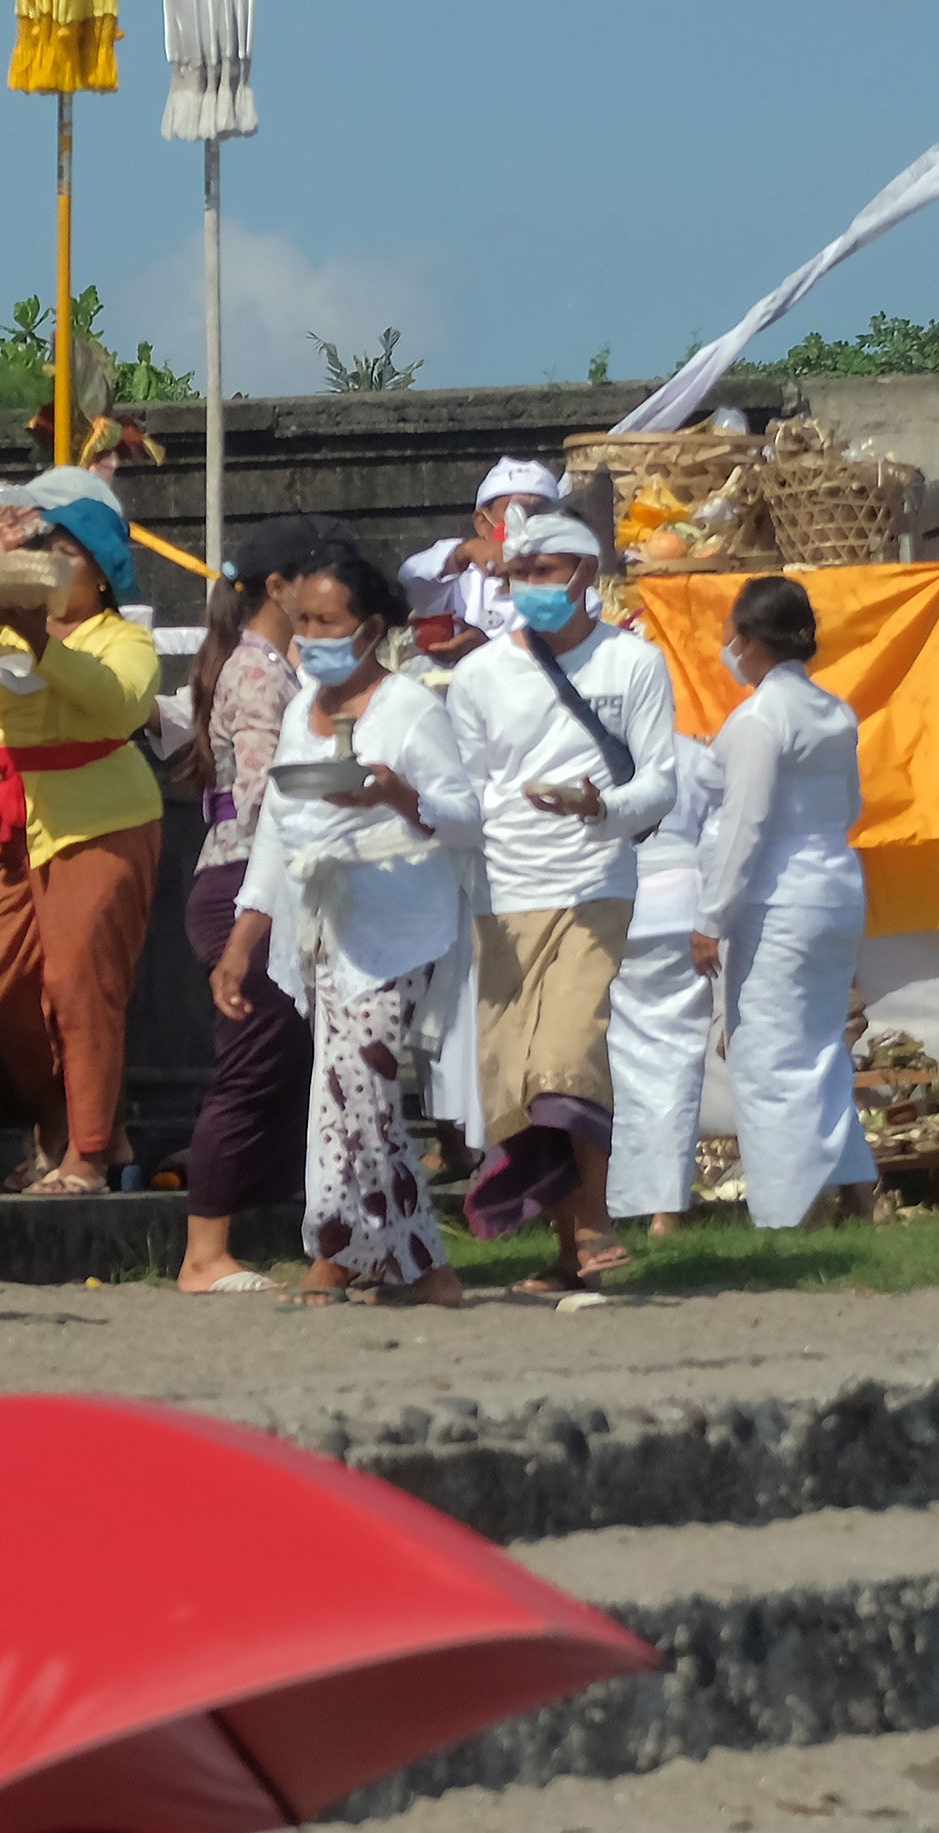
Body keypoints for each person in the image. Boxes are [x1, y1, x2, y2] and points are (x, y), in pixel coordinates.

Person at [212, 551, 473, 1308]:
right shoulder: (300, 711)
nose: (311, 636)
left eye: (327, 622)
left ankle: (405, 1261)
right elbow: (279, 832)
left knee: (362, 1092)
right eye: (303, 623)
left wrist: (396, 793)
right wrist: (242, 941)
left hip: (400, 924)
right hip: (324, 923)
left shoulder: (411, 710)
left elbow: (465, 817)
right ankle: (362, 1253)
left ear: (373, 629)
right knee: (336, 1100)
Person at [441, 507, 677, 1292]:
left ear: (585, 576)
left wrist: (599, 808)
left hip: (592, 881)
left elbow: (660, 782)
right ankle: (570, 1248)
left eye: (547, 572)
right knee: (514, 1079)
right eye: (519, 574)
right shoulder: (477, 676)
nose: (532, 587)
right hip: (502, 891)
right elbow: (466, 792)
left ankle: (598, 1221)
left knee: (567, 1053)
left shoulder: (633, 664)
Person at [0, 466, 164, 1195]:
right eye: (44, 546)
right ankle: (60, 1121)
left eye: (65, 552)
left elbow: (119, 706)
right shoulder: (9, 630)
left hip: (101, 816)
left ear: (102, 577)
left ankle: (88, 1154)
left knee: (80, 984)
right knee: (0, 989)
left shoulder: (123, 640)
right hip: (12, 814)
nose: (48, 560)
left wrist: (43, 646)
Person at [149, 516, 345, 1293]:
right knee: (254, 1062)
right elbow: (269, 798)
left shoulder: (267, 667)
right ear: (279, 588)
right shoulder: (259, 674)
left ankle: (270, 1223)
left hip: (259, 880)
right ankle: (205, 1250)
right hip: (245, 883)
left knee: (288, 1059)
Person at [690, 576, 882, 1233]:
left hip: (776, 899)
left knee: (768, 1057)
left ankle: (787, 1212)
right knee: (822, 1046)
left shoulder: (758, 720)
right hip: (835, 888)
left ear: (747, 640)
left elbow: (745, 826)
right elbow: (852, 806)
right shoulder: (834, 711)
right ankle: (855, 1189)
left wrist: (710, 919)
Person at [604, 730, 722, 1244]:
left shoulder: (593, 747)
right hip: (682, 905)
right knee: (677, 1061)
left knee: (621, 1062)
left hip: (619, 901)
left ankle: (625, 1198)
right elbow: (718, 834)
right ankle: (662, 1209)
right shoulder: (695, 754)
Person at [397, 457, 564, 664]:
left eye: (540, 513)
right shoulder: (463, 576)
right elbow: (409, 580)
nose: (529, 523)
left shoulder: (570, 580)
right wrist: (463, 552)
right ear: (483, 523)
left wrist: (485, 647)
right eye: (516, 511)